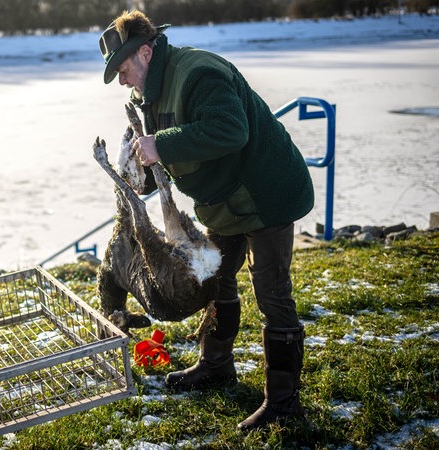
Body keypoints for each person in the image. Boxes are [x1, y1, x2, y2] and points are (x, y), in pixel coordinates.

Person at [98, 10, 315, 431]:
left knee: (271, 293)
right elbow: (176, 155)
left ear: (145, 53)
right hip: (223, 203)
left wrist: (159, 143)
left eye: (123, 70)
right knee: (214, 278)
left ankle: (284, 403)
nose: (123, 81)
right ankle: (216, 366)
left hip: (267, 192)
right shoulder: (151, 94)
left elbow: (230, 130)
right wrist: (135, 169)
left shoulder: (198, 72)